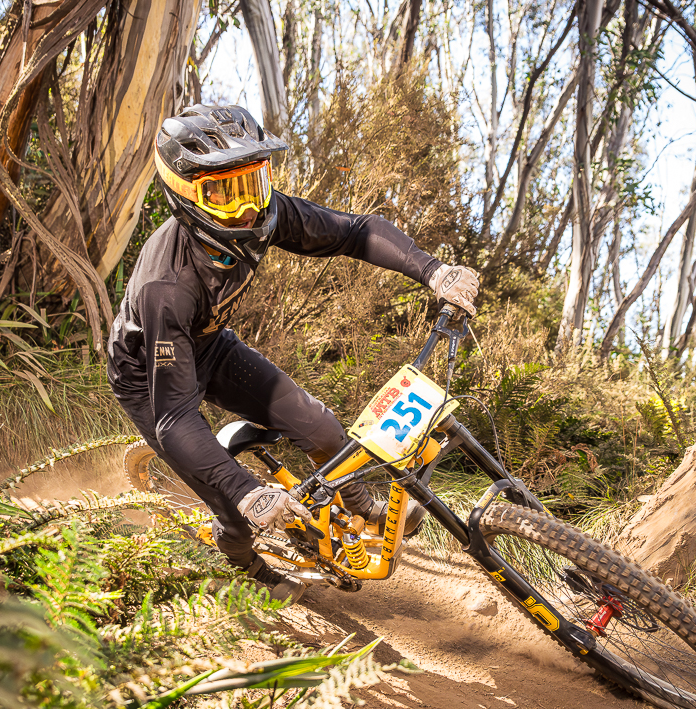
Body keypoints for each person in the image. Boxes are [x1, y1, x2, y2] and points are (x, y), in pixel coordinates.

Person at [108, 104, 480, 601]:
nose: (248, 208)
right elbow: (174, 417)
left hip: (210, 346)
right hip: (147, 378)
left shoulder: (265, 213)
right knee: (235, 512)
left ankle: (359, 503)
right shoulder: (166, 286)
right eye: (227, 193)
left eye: (253, 183)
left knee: (321, 428)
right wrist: (248, 493)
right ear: (187, 196)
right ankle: (245, 566)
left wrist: (434, 271)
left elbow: (354, 231)